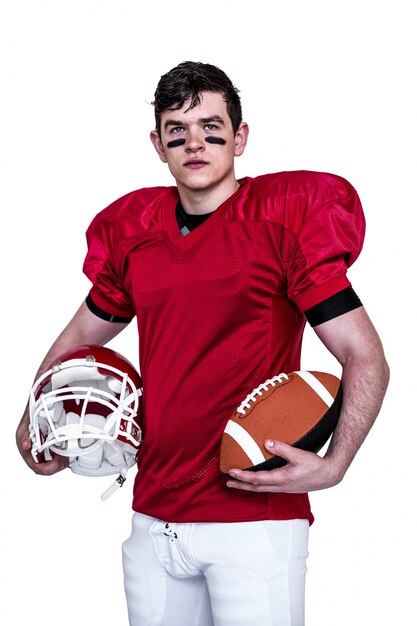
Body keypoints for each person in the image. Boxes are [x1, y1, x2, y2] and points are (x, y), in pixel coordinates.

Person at [16, 61, 389, 626]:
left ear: (239, 137)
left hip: (253, 519)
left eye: (212, 128)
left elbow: (365, 356)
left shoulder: (282, 222)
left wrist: (337, 463)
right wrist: (33, 415)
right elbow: (77, 341)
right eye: (178, 131)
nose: (195, 143)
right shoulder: (135, 232)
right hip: (154, 514)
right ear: (157, 144)